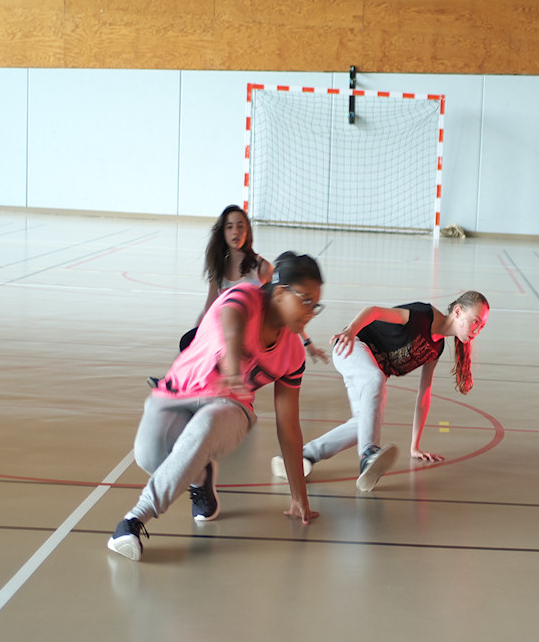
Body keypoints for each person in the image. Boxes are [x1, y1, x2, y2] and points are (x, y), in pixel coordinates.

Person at [108, 251, 324, 561]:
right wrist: (234, 364)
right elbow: (231, 322)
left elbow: (288, 427)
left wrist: (298, 495)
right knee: (149, 456)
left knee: (205, 426)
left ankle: (132, 521)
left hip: (232, 408)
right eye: (306, 300)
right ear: (279, 292)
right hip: (177, 391)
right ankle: (202, 477)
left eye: (316, 305)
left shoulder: (293, 355)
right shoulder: (246, 295)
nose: (311, 312)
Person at [279, 291, 490, 492]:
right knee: (375, 379)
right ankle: (368, 454)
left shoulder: (436, 349)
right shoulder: (422, 315)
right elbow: (374, 311)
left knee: (363, 424)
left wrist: (414, 447)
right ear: (458, 311)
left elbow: (424, 396)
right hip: (351, 346)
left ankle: (301, 456)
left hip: (366, 371)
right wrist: (350, 330)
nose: (477, 330)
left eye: (482, 326)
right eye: (475, 321)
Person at [179, 205, 327, 361]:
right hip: (224, 335)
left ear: (247, 231)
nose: (235, 232)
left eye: (240, 226)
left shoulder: (262, 268)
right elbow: (209, 308)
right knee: (189, 345)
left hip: (252, 339)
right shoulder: (218, 269)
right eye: (229, 227)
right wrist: (197, 335)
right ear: (223, 232)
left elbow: (285, 308)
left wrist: (307, 342)